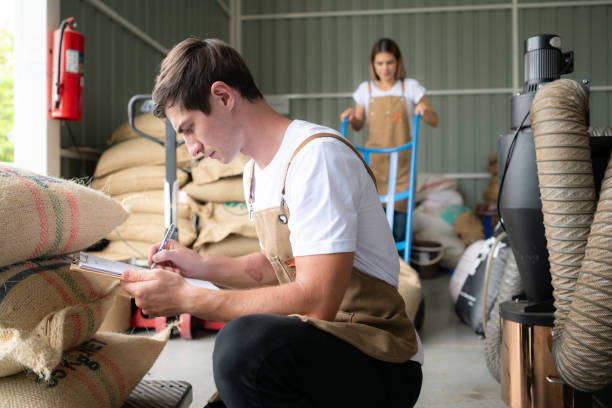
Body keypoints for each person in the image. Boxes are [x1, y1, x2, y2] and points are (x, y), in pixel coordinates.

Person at [120, 38, 423, 408]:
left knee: (242, 346)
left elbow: (316, 300)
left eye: (189, 128)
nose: (191, 147)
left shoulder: (316, 157)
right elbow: (275, 268)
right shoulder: (254, 174)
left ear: (223, 97)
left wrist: (189, 298)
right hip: (322, 343)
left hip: (378, 354)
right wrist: (197, 266)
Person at [341, 38, 439, 242]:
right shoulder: (365, 90)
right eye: (380, 63)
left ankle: (400, 270)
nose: (385, 68)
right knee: (374, 225)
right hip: (373, 166)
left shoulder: (410, 88)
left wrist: (424, 110)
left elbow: (434, 120)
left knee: (400, 226)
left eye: (389, 63)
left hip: (402, 168)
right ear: (373, 65)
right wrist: (351, 116)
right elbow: (359, 124)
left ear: (398, 62)